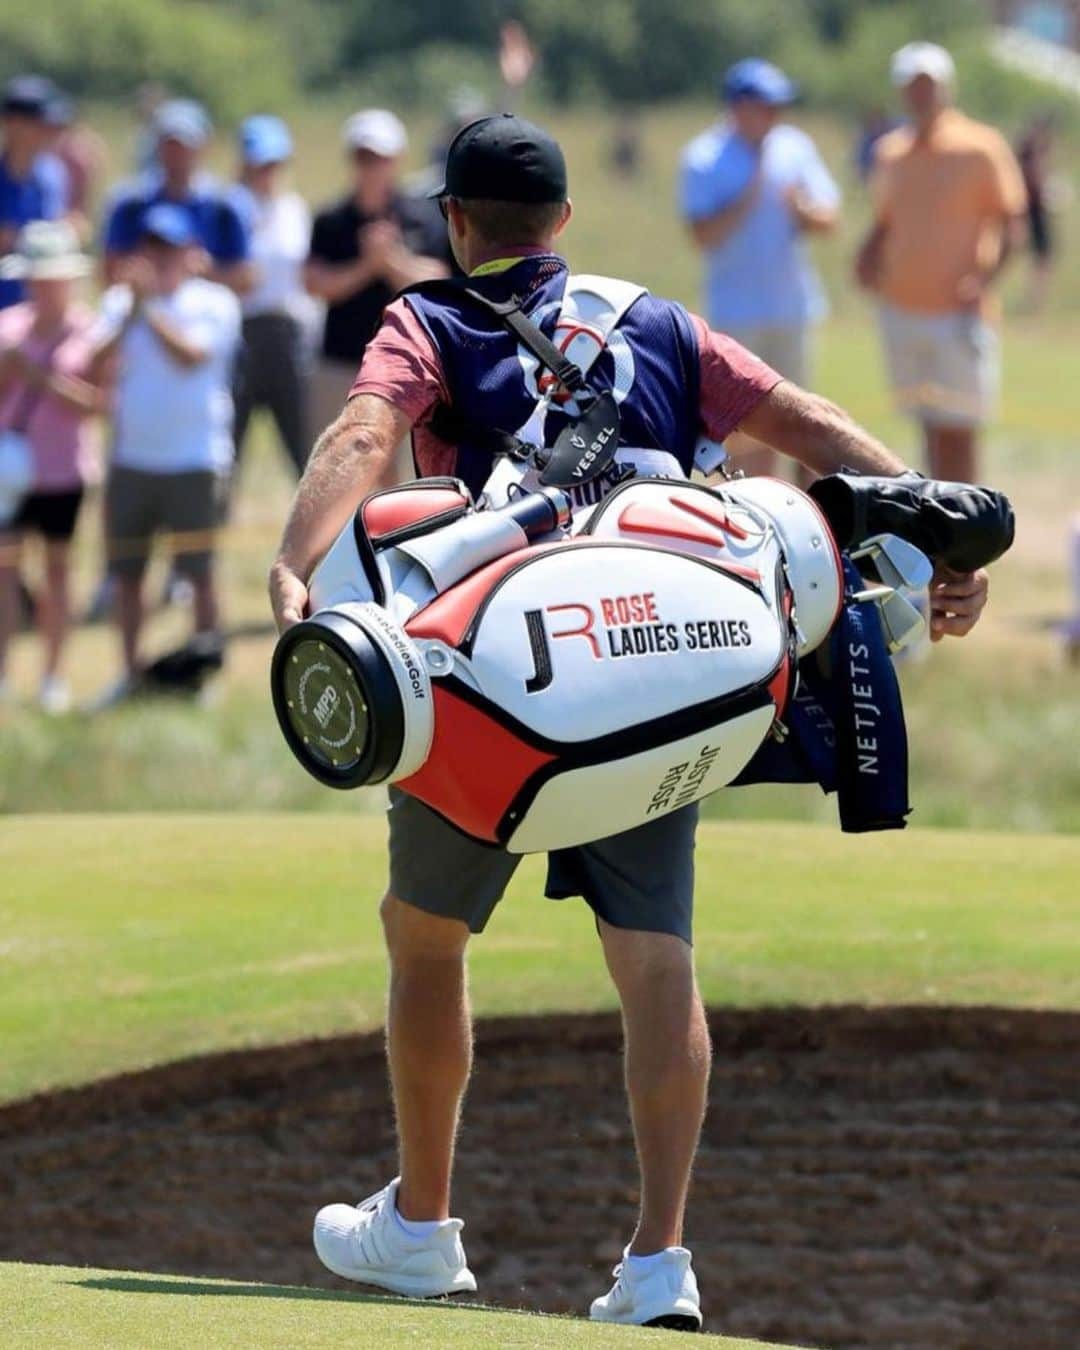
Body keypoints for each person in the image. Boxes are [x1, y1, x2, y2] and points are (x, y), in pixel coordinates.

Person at [269, 114, 991, 1329]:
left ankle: (426, 1229)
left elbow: (360, 434)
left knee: (426, 938)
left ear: (454, 222)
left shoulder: (430, 318)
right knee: (656, 965)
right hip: (653, 678)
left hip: (480, 694)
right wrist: (931, 531)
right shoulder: (656, 320)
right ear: (561, 223)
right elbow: (807, 426)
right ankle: (659, 1264)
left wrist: (293, 571)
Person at [855, 43, 1028, 484]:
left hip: (959, 312)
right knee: (927, 425)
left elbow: (1012, 224)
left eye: (928, 85)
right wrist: (867, 256)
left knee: (960, 428)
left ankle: (968, 529)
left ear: (945, 88)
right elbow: (886, 221)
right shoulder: (890, 151)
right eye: (912, 87)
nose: (921, 95)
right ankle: (940, 528)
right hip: (902, 309)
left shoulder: (981, 147)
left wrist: (984, 281)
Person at [91, 204, 241, 703]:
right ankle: (130, 673)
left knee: (199, 574)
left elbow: (192, 357)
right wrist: (129, 313)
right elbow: (91, 364)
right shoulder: (120, 303)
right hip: (132, 459)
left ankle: (202, 674)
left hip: (194, 460)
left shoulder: (215, 303)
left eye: (170, 248)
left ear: (191, 255)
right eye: (152, 247)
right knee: (128, 575)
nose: (159, 258)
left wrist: (148, 309)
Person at [680, 59, 840, 479]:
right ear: (739, 106)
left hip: (792, 306)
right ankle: (754, 514)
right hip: (736, 313)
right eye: (765, 105)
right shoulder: (705, 156)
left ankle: (818, 516)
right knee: (748, 428)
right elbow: (702, 235)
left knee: (808, 419)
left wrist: (803, 210)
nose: (774, 115)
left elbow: (828, 217)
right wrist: (748, 196)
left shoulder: (795, 147)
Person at [0, 222, 105, 712]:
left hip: (65, 472)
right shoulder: (8, 328)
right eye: (38, 278)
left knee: (59, 573)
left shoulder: (89, 330)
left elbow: (96, 405)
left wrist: (38, 374)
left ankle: (53, 677)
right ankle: (4, 674)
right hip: (12, 475)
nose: (45, 287)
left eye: (54, 277)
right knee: (5, 572)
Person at [304, 109, 452, 450]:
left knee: (397, 473)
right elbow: (315, 284)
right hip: (341, 361)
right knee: (335, 459)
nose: (371, 167)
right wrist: (367, 266)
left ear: (395, 160)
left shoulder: (421, 216)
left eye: (379, 158)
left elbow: (439, 281)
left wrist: (391, 261)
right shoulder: (331, 219)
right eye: (363, 157)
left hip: (406, 363)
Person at [230, 115, 314, 479]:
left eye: (273, 162)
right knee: (230, 443)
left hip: (286, 333)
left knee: (304, 446)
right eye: (259, 162)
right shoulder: (230, 208)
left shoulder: (293, 209)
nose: (266, 170)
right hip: (240, 332)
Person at [101, 99, 253, 296]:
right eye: (170, 145)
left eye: (184, 146)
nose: (177, 154)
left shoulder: (225, 207)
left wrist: (207, 273)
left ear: (203, 146)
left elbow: (247, 279)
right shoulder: (131, 204)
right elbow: (108, 272)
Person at [0, 76, 70, 311]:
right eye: (40, 124)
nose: (49, 132)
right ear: (12, 124)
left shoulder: (52, 176)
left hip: (35, 317)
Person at [1016, 114, 1057, 313]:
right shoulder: (1029, 156)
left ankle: (1035, 301)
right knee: (1041, 258)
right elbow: (1035, 182)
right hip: (1033, 211)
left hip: (1030, 210)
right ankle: (1034, 302)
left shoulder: (1028, 152)